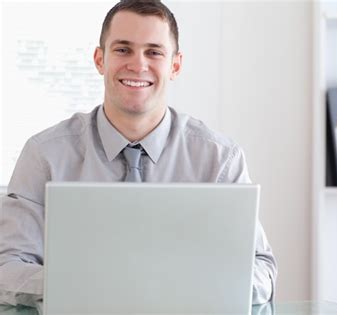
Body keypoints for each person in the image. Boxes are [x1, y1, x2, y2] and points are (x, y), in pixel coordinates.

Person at [0, 0, 277, 308]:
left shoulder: (219, 159)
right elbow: (7, 267)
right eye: (123, 49)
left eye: (154, 52)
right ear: (99, 59)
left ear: (175, 65)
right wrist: (90, 284)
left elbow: (261, 270)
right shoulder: (45, 155)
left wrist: (172, 285)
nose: (138, 64)